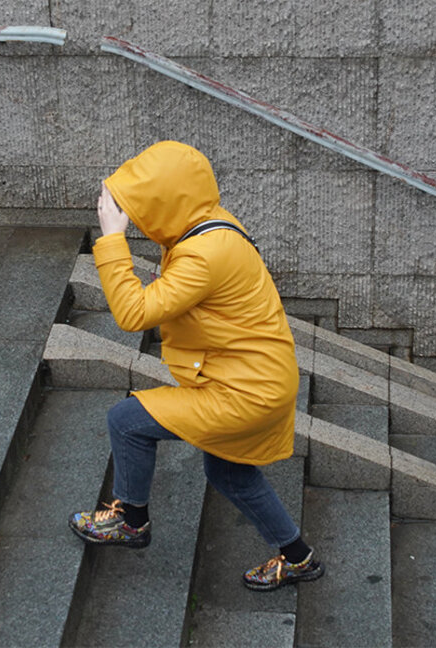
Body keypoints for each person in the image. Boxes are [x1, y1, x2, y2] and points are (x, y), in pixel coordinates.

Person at [68, 140, 324, 591]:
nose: (133, 216)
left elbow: (133, 315)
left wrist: (111, 239)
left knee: (127, 420)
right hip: (259, 379)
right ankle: (298, 558)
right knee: (229, 472)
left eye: (140, 206)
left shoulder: (204, 254)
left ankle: (131, 520)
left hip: (245, 392)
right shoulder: (212, 224)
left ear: (166, 203)